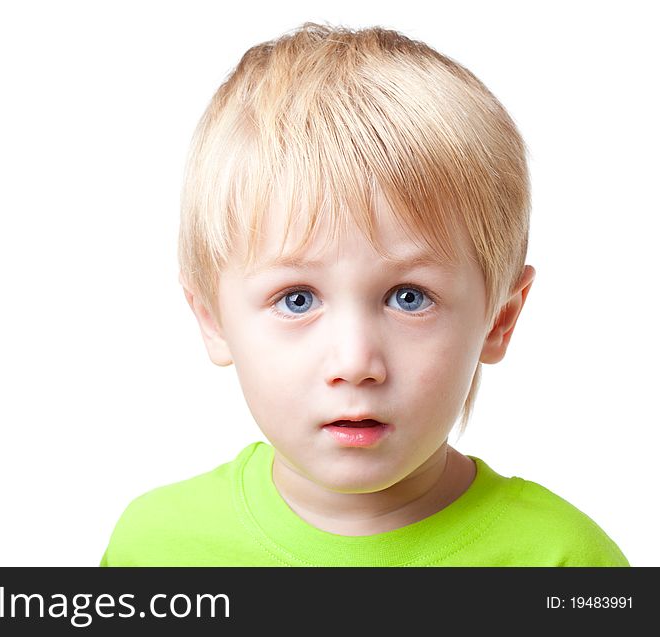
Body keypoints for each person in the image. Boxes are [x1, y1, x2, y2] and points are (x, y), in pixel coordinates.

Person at [100, 22, 628, 566]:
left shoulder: (563, 560)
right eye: (297, 299)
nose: (355, 364)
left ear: (500, 319)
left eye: (408, 297)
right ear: (213, 319)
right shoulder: (157, 548)